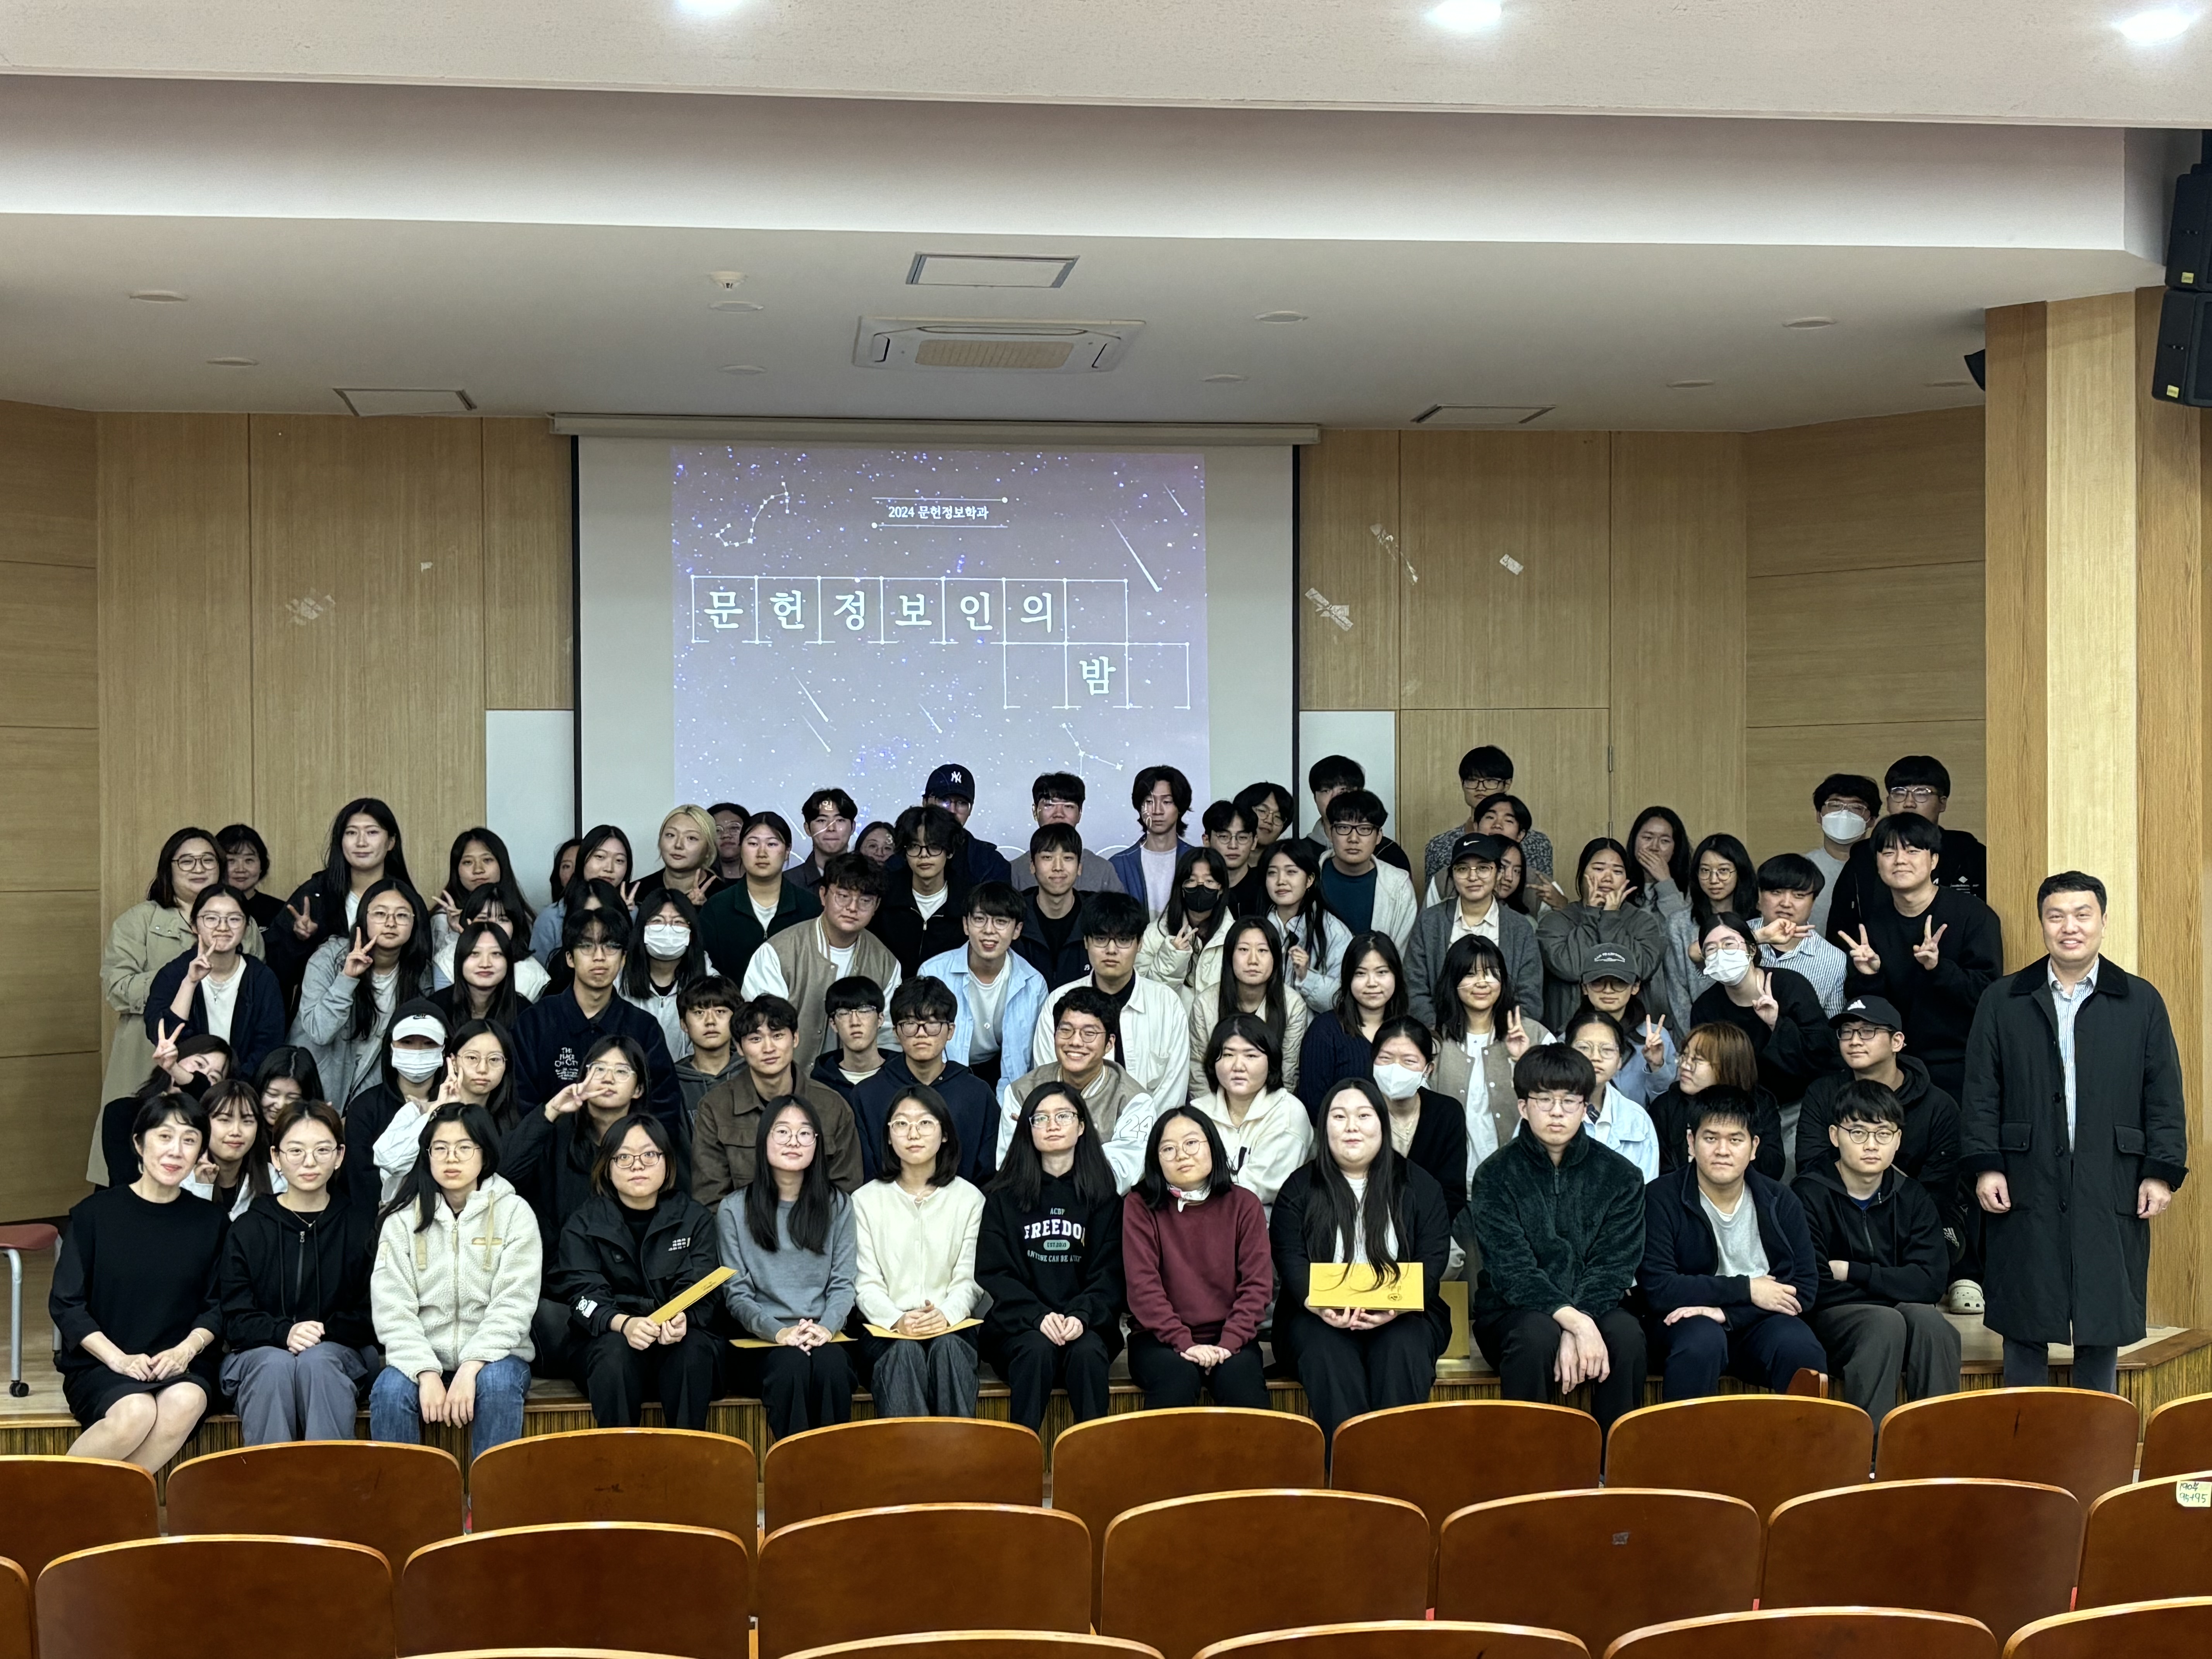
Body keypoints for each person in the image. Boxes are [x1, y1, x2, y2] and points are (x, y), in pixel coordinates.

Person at [1962, 871, 2189, 1392]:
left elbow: (2163, 1094)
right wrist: (1986, 1164)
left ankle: (2097, 1429)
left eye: (2083, 915)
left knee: (2101, 1311)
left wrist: (2160, 1173)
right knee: (2024, 1309)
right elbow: (1980, 1091)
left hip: (2111, 1172)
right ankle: (2023, 1425)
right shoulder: (2004, 998)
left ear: (2103, 922)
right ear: (2042, 923)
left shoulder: (2140, 1000)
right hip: (2024, 1171)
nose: (2070, 927)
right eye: (2056, 916)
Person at [1467, 1046, 1647, 1433]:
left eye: (1569, 1101)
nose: (1557, 1112)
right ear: (1523, 1107)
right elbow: (1512, 1270)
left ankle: (1615, 1460)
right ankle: (1531, 1462)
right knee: (1536, 1336)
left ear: (1585, 1108)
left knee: (1627, 1336)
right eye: (1544, 1100)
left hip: (1598, 1304)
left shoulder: (1622, 1176)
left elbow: (1614, 1266)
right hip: (1511, 1311)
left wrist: (1581, 1320)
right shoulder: (1494, 1176)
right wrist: (1574, 1323)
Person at [1272, 1078, 1451, 1443]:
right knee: (1326, 1350)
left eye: (1364, 1116)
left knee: (1402, 1347)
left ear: (1382, 1124)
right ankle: (1349, 1465)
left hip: (1405, 1314)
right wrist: (1319, 1305)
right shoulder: (1299, 1187)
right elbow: (1289, 1257)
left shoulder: (1421, 1186)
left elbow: (1433, 1260)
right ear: (1324, 1127)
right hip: (1317, 1316)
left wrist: (1396, 1308)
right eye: (1339, 1117)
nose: (1351, 1127)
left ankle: (1394, 1464)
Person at [52, 1091, 225, 1465]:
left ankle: (110, 1504)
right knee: (135, 1411)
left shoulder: (212, 1222)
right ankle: (54, 1498)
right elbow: (67, 1304)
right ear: (138, 1143)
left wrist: (185, 1351)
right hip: (102, 1363)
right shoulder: (94, 1215)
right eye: (164, 1137)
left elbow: (218, 1305)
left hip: (180, 1362)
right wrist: (119, 1360)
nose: (176, 1151)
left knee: (186, 1400)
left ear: (201, 1153)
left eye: (190, 1140)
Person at [369, 1102, 540, 1456]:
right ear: (427, 1155)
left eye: (464, 1147)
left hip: (497, 1357)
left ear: (485, 1153)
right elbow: (392, 1309)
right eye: (441, 1148)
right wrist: (425, 1371)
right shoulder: (402, 1220)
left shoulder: (515, 1213)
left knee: (498, 1382)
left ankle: (491, 1494)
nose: (452, 1158)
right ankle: (406, 1495)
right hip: (421, 1356)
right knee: (390, 1390)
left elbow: (515, 1303)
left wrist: (472, 1365)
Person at [97, 827, 263, 1180]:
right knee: (139, 1157)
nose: (198, 868)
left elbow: (253, 981)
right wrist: (176, 978)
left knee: (213, 1165)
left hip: (220, 1065)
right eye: (186, 861)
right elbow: (117, 987)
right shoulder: (139, 921)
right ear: (168, 868)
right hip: (152, 1054)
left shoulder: (243, 923)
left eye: (208, 860)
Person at [1793, 1080, 1957, 1436]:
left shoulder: (1912, 1196)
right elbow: (1814, 1287)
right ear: (1835, 1136)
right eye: (1858, 1132)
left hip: (1894, 1314)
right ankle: (1870, 1453)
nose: (1871, 1145)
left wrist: (1853, 1272)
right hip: (1831, 1322)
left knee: (1932, 1324)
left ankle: (1939, 1448)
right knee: (1886, 1322)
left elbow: (1931, 1283)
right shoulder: (1808, 1194)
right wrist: (1895, 1286)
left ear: (1898, 1140)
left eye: (1884, 1133)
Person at [1641, 1085, 1826, 1400]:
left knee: (1801, 1348)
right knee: (1702, 1341)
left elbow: (1804, 1289)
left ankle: (1803, 1435)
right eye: (1711, 1138)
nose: (1723, 1150)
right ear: (1691, 1142)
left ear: (1754, 1147)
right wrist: (1748, 1289)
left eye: (1736, 1140)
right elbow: (1659, 1288)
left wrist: (1727, 1314)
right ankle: (1682, 1435)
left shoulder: (1781, 1201)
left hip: (1758, 1322)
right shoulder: (1660, 1198)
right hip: (1685, 1322)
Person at [550, 1112, 725, 1429]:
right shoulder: (583, 1224)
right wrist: (625, 1324)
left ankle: (690, 1455)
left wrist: (682, 1320)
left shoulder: (694, 1219)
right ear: (607, 1166)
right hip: (609, 1340)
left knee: (692, 1350)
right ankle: (620, 1458)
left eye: (649, 1155)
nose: (638, 1166)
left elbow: (704, 1287)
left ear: (667, 1162)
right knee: (614, 1353)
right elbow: (582, 1298)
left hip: (678, 1335)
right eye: (624, 1157)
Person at [217, 1101, 378, 1444]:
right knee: (274, 1366)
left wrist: (320, 1332)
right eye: (296, 1151)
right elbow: (235, 1318)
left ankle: (329, 1478)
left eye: (322, 1150)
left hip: (338, 1354)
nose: (310, 1162)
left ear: (339, 1156)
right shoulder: (248, 1229)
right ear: (276, 1157)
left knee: (317, 1364)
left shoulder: (360, 1227)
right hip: (258, 1358)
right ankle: (272, 1479)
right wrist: (284, 1333)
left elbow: (373, 1314)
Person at [979, 1080, 1125, 1431]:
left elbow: (1111, 1274)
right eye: (1040, 1118)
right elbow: (995, 1273)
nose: (1052, 1125)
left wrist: (1081, 1315)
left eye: (1063, 1116)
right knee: (1036, 1350)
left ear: (1082, 1126)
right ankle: (1022, 1456)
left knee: (1087, 1352)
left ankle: (1093, 1457)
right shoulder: (1002, 1198)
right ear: (1028, 1129)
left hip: (1086, 1325)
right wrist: (1038, 1316)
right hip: (1019, 1328)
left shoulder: (1106, 1198)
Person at [718, 1094, 859, 1438]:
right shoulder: (734, 1209)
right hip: (762, 1342)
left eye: (805, 1133)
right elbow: (737, 1294)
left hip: (824, 1335)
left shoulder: (838, 1206)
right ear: (764, 1139)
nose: (794, 1141)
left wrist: (825, 1329)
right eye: (782, 1132)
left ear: (817, 1144)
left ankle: (835, 1466)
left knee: (832, 1366)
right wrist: (779, 1333)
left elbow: (843, 1284)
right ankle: (793, 1468)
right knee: (791, 1365)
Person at [507, 1034, 657, 1353]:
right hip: (565, 1287)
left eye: (622, 1071)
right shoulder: (557, 1132)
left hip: (632, 1289)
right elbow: (505, 1175)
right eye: (598, 1068)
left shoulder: (651, 1143)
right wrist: (551, 1111)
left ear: (639, 1089)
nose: (608, 1078)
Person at [1836, 812, 2003, 1097]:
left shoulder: (1973, 915)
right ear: (1877, 863)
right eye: (1889, 852)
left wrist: (1938, 968)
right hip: (1895, 1067)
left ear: (1934, 860)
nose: (1900, 860)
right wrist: (1870, 976)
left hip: (1962, 1065)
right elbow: (1864, 1012)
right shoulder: (1872, 927)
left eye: (1913, 851)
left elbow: (1988, 995)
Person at [1122, 1108, 1273, 1408]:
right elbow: (1143, 1288)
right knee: (1176, 1381)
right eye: (1168, 1149)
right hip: (1158, 1339)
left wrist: (1228, 1343)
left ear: (1212, 1146)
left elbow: (1257, 1287)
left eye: (1191, 1143)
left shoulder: (1244, 1204)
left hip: (1231, 1336)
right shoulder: (1140, 1206)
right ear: (1156, 1159)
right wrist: (1184, 1343)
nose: (1182, 1155)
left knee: (1241, 1383)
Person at [852, 1085, 988, 1417]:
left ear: (945, 1134)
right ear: (888, 1137)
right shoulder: (865, 1201)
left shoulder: (970, 1199)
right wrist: (897, 1320)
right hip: (884, 1330)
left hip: (952, 1326)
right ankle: (911, 1452)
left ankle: (957, 1449)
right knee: (905, 1353)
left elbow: (969, 1279)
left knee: (949, 1349)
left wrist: (946, 1315)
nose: (913, 1133)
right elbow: (865, 1283)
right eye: (901, 1124)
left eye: (925, 1123)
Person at [1793, 996, 1961, 1261]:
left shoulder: (1939, 1106)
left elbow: (1940, 1188)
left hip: (1914, 1222)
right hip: (1840, 1218)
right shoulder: (1823, 1093)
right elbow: (1812, 1165)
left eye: (1868, 1031)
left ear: (1897, 1042)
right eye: (1846, 1032)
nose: (1854, 1041)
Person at [511, 905, 684, 1137]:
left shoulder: (644, 1027)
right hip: (548, 1154)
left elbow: (663, 1107)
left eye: (611, 947)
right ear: (570, 958)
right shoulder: (535, 1023)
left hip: (625, 1153)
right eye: (586, 946)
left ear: (624, 959)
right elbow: (519, 1104)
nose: (599, 957)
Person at [693, 994, 865, 1201]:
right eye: (756, 1039)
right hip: (741, 1221)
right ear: (739, 1048)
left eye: (778, 1036)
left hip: (817, 1220)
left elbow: (845, 1192)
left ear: (796, 1038)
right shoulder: (716, 1108)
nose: (769, 1049)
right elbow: (711, 1197)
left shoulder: (831, 1106)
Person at [1032, 891, 1190, 1111]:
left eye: (1123, 940)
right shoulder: (1058, 1002)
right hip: (1074, 1128)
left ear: (1140, 943)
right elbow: (1048, 1080)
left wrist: (1144, 1129)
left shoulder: (1167, 1005)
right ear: (1086, 942)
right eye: (1101, 939)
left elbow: (1173, 1089)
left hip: (1152, 1130)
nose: (1111, 950)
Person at [742, 852, 903, 1065]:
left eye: (865, 900)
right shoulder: (778, 952)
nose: (853, 908)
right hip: (787, 1077)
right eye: (843, 896)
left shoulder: (885, 963)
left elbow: (888, 1038)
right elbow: (759, 1029)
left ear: (877, 906)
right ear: (823, 895)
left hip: (859, 1081)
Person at [292, 877, 434, 1109]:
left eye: (401, 915)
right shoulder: (329, 958)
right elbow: (319, 1032)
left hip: (370, 1100)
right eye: (380, 914)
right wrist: (347, 979)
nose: (391, 923)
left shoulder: (421, 974)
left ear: (414, 923)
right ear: (363, 918)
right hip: (313, 1091)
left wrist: (360, 1111)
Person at [999, 986, 1159, 1189]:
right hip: (1033, 1201)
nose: (1075, 1042)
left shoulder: (1133, 1099)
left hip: (1103, 1204)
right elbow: (1009, 1166)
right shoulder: (1022, 1092)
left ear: (1109, 1044)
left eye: (1089, 1033)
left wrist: (1044, 1145)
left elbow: (1124, 1172)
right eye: (1066, 1031)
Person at [1688, 912, 1843, 1116]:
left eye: (1729, 944)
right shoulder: (1705, 1008)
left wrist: (1776, 1023)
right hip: (1739, 1109)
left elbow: (1823, 1054)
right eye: (1711, 949)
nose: (1721, 954)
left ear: (1752, 950)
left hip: (1800, 1104)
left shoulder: (1791, 986)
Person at [852, 979, 997, 1183]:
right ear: (896, 1032)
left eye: (933, 1024)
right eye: (910, 1024)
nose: (921, 1034)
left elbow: (989, 1172)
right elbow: (864, 1171)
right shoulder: (867, 1095)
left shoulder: (977, 1094)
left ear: (951, 1031)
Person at [1829, 757, 1989, 938]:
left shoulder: (1970, 853)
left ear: (1942, 803)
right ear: (1888, 801)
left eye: (1922, 793)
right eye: (1899, 792)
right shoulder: (1864, 856)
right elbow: (1840, 929)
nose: (1909, 803)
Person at [268, 798, 410, 998]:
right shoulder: (315, 895)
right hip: (325, 1007)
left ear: (391, 842)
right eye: (352, 833)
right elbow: (277, 972)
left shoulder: (404, 897)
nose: (361, 842)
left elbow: (419, 960)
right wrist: (300, 940)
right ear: (340, 841)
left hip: (390, 1005)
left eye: (372, 832)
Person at [146, 884, 286, 1081]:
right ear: (194, 925)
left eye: (234, 919)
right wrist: (190, 983)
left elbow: (269, 1046)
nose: (223, 927)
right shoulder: (173, 974)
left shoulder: (262, 979)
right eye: (211, 918)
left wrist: (232, 1088)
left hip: (243, 1089)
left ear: (247, 927)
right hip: (182, 1084)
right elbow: (165, 1038)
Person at [1430, 935, 1546, 1171]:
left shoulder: (1535, 1034)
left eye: (1492, 973)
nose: (1482, 983)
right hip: (1453, 1177)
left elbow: (1560, 1100)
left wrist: (1523, 1060)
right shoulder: (1435, 1042)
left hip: (1519, 1173)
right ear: (1453, 980)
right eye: (1470, 974)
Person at [1405, 833, 1544, 1029]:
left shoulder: (1520, 928)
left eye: (1483, 868)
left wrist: (1505, 1036)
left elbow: (1529, 997)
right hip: (1438, 1035)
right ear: (1452, 875)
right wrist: (1438, 1033)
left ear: (1498, 873)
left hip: (1505, 1036)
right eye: (1463, 869)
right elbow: (1414, 988)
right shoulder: (1430, 922)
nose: (1473, 877)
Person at [1537, 838, 1672, 1032]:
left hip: (1632, 1033)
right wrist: (1592, 915)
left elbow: (1640, 970)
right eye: (1599, 869)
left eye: (1617, 871)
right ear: (1582, 874)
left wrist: (1611, 918)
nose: (1608, 878)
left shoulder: (1644, 922)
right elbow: (1572, 969)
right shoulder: (1556, 921)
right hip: (1570, 1032)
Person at [921, 882, 1048, 1089]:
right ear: (966, 925)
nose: (989, 931)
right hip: (944, 1080)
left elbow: (1034, 1064)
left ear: (1017, 930)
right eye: (980, 920)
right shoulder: (933, 973)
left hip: (1007, 1079)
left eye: (1001, 922)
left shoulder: (1033, 984)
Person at [1193, 1014, 1314, 1212]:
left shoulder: (1288, 1112)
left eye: (1251, 1056)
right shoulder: (1197, 1113)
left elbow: (1260, 1187)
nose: (1238, 1066)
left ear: (1271, 1062)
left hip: (1268, 1224)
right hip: (1201, 1218)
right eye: (1228, 1055)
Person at [347, 999, 452, 1215]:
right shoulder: (364, 1108)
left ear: (444, 1049)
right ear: (391, 1047)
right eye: (407, 1042)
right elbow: (361, 1181)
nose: (418, 1051)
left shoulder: (456, 1108)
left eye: (429, 1043)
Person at [697, 811, 822, 987]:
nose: (762, 853)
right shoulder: (717, 907)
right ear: (741, 849)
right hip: (731, 1003)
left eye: (772, 844)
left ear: (787, 851)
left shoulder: (811, 907)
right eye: (753, 844)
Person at [1188, 917, 1309, 1097]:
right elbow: (1198, 1071)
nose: (1253, 960)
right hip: (1214, 1105)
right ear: (1230, 955)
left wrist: (1266, 1112)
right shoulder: (1205, 1004)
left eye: (1263, 950)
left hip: (1272, 1106)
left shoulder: (1292, 1005)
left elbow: (1288, 1073)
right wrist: (1212, 1113)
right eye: (1244, 950)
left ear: (1276, 958)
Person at [1649, 1022, 1785, 1180]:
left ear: (1728, 1066)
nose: (1685, 1065)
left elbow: (1773, 1168)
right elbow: (1662, 1173)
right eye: (1684, 1056)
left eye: (1696, 1060)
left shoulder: (1760, 1106)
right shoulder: (1666, 1107)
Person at [1297, 931, 1410, 1117]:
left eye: (1382, 972)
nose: (1372, 983)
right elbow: (1314, 1106)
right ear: (1348, 978)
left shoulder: (1408, 1031)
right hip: (1343, 1133)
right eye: (1361, 973)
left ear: (1396, 975)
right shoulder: (1324, 1031)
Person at [100, 1029, 230, 1189]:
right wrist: (173, 1068)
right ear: (177, 1058)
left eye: (214, 1077)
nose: (202, 1075)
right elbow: (127, 1180)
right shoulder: (123, 1112)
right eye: (199, 1064)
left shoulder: (212, 1130)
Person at [1367, 1018, 1468, 1221]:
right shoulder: (1357, 1110)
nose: (1395, 1068)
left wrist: (1421, 1230)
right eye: (1386, 1058)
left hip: (1431, 1227)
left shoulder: (1447, 1113)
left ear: (1428, 1069)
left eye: (1409, 1061)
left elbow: (1452, 1193)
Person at [1423, 747, 1556, 899]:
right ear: (1462, 783)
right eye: (1473, 780)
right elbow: (1433, 902)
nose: (1481, 788)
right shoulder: (1439, 846)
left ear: (1507, 785)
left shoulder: (1537, 844)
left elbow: (1545, 897)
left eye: (1491, 781)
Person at [1660, 830, 1753, 1033]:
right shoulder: (1679, 924)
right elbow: (1677, 994)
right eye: (1705, 871)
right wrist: (1695, 1041)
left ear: (1740, 871)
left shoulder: (1756, 923)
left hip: (1752, 1032)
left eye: (1724, 870)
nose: (1714, 879)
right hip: (1698, 1032)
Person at [869, 804, 972, 976]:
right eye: (914, 846)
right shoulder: (884, 897)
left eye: (934, 847)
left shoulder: (968, 903)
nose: (924, 855)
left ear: (950, 851)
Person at [1563, 1009, 1661, 1182]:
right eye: (1584, 1048)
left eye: (1607, 1049)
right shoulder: (1543, 1111)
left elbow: (1648, 1188)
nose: (1595, 1057)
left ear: (1620, 1061)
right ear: (1567, 1054)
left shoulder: (1638, 1120)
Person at [1574, 947, 1675, 1107]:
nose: (1608, 990)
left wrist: (1656, 1066)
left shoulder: (1657, 1037)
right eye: (1598, 982)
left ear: (1635, 987)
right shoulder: (1569, 1039)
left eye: (1619, 982)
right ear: (1585, 988)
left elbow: (1671, 1103)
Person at [1750, 854, 1848, 1018]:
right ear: (1759, 896)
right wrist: (1754, 939)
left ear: (1813, 902)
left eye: (1799, 896)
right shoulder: (1732, 935)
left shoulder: (1834, 960)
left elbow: (1832, 1026)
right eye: (1776, 892)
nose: (1786, 903)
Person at [1263, 838, 1352, 1015]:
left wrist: (1306, 977)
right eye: (1272, 873)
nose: (1281, 881)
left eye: (1291, 872)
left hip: (1314, 1030)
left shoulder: (1333, 930)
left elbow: (1345, 999)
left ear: (1310, 880)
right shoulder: (1256, 929)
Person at [1318, 791, 1418, 947]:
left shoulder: (1398, 886)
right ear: (1331, 833)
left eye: (1365, 829)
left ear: (1379, 836)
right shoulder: (1308, 878)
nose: (1353, 839)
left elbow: (1401, 953)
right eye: (1344, 828)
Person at [620, 889, 709, 1061]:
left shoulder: (709, 980)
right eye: (657, 921)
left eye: (678, 922)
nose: (668, 929)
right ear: (642, 930)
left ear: (691, 934)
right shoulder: (617, 981)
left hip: (688, 1076)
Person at [1136, 848, 1236, 1002]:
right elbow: (1144, 996)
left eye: (1209, 881)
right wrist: (1172, 956)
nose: (1200, 886)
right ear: (1181, 888)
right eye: (1191, 880)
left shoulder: (1237, 937)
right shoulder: (1154, 933)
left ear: (1221, 888)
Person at [429, 827, 538, 964]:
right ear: (456, 870)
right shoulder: (443, 920)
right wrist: (458, 932)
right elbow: (442, 970)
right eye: (468, 862)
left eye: (487, 860)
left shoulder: (522, 914)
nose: (478, 870)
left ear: (502, 864)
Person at [528, 824, 632, 967]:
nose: (609, 868)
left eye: (619, 860)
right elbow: (537, 974)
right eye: (600, 857)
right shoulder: (551, 918)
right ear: (582, 860)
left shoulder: (634, 914)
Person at [1010, 773, 1126, 894]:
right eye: (1050, 805)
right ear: (1035, 811)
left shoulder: (1103, 871)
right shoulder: (1014, 871)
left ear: (1080, 813)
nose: (1059, 814)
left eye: (1069, 806)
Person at [1012, 824, 1096, 990]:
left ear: (1079, 867)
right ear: (1032, 866)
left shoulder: (1097, 914)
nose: (1058, 867)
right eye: (1047, 857)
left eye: (1068, 858)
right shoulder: (1013, 914)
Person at [1110, 764, 1198, 917]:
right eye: (1149, 802)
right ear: (1139, 807)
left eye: (1167, 802)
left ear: (1180, 807)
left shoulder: (1197, 860)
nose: (1157, 811)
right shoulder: (1119, 865)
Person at [1300, 756, 1412, 874]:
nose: (1334, 798)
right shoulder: (1300, 853)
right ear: (1315, 798)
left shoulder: (1388, 852)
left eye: (1343, 791)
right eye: (1326, 791)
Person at [1803, 773, 1880, 937]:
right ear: (1819, 815)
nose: (1844, 814)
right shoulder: (1801, 868)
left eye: (1856, 808)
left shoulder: (1887, 867)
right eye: (1835, 805)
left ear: (1872, 820)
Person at [186, 1079, 275, 1216]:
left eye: (247, 1121)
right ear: (204, 1123)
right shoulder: (181, 1177)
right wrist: (202, 1188)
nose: (236, 1131)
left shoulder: (274, 1179)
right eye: (225, 1120)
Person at [433, 912, 534, 1030]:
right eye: (475, 953)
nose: (485, 964)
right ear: (460, 960)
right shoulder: (436, 1009)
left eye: (496, 954)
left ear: (508, 961)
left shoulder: (526, 1014)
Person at [919, 763, 1015, 886]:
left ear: (970, 810)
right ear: (925, 802)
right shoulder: (902, 857)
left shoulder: (991, 864)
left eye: (962, 803)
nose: (952, 811)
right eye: (944, 801)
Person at [812, 976, 889, 1106]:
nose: (855, 1022)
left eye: (865, 1011)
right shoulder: (819, 1085)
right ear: (833, 1024)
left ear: (880, 1019)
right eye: (844, 1013)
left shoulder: (900, 1075)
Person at [674, 976, 742, 1124]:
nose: (710, 1021)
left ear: (736, 1019)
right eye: (699, 1013)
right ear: (684, 1024)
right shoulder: (672, 1082)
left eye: (720, 1011)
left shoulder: (753, 1072)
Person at [445, 1018, 522, 1131]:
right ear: (453, 1062)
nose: (483, 1069)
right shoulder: (429, 1114)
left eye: (494, 1059)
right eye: (472, 1058)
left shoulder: (514, 1127)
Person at [217, 822, 287, 938]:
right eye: (231, 861)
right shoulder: (205, 908)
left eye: (249, 860)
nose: (241, 869)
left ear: (262, 866)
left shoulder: (280, 911)